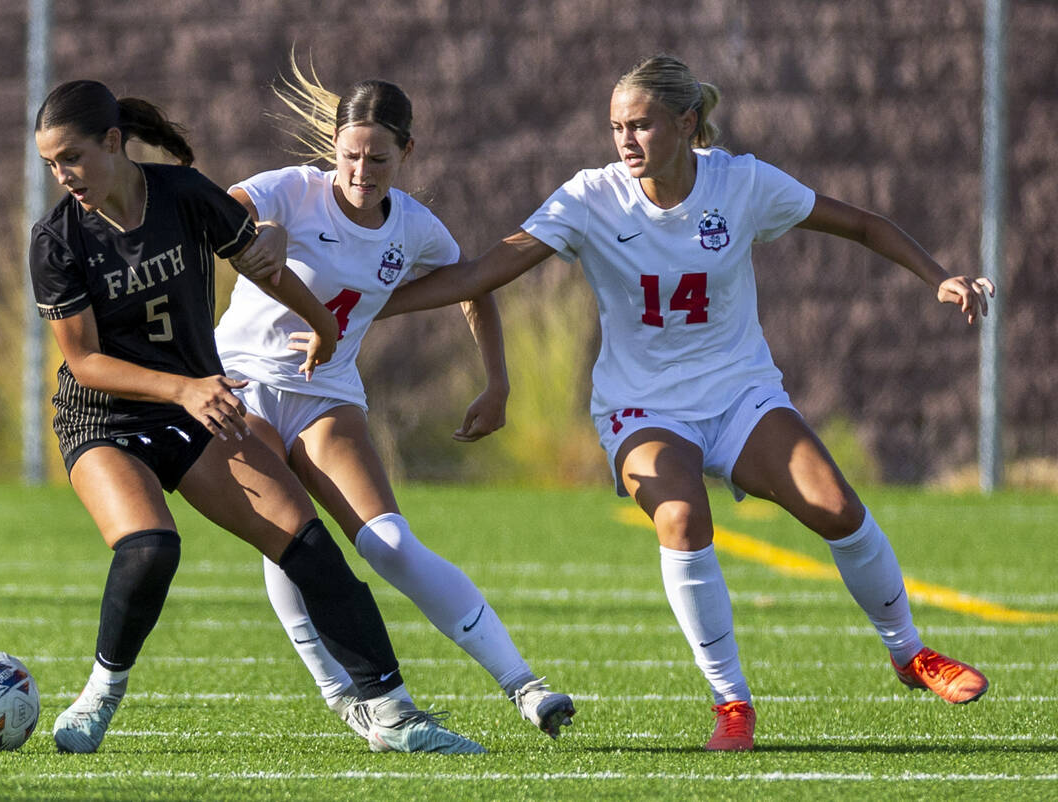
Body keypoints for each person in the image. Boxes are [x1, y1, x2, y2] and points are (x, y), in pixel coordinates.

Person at [379, 54, 995, 752]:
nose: (625, 140)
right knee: (679, 513)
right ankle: (732, 704)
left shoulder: (741, 183)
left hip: (739, 393)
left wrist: (940, 278)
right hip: (642, 408)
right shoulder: (590, 198)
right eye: (616, 127)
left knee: (838, 507)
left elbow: (862, 224)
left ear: (687, 122)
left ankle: (909, 653)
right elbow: (487, 269)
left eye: (641, 125)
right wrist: (369, 312)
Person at [29, 79, 484, 755]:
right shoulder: (57, 239)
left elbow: (260, 262)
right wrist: (183, 390)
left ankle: (393, 714)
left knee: (310, 549)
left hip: (193, 409)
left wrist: (321, 325)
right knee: (151, 546)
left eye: (72, 157)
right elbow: (86, 362)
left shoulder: (183, 195)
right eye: (50, 165)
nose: (63, 176)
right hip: (104, 418)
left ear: (114, 143)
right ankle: (101, 694)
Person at [213, 60, 576, 741]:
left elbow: (471, 285)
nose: (361, 171)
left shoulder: (414, 227)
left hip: (327, 394)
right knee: (294, 542)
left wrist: (497, 383)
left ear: (407, 152)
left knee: (390, 543)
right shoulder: (291, 190)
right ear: (334, 147)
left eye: (378, 158)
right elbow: (223, 210)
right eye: (350, 156)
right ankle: (347, 698)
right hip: (241, 389)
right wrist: (253, 234)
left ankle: (526, 686)